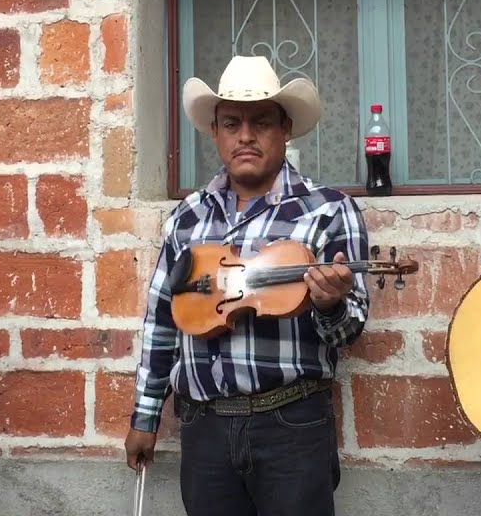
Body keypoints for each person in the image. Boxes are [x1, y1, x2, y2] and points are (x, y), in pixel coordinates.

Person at [123, 55, 370, 516]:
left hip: (292, 424)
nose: (246, 136)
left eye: (261, 123)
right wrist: (146, 416)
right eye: (231, 124)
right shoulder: (187, 217)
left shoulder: (330, 211)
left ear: (286, 129)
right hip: (203, 426)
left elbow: (349, 330)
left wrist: (331, 303)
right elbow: (162, 321)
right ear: (215, 132)